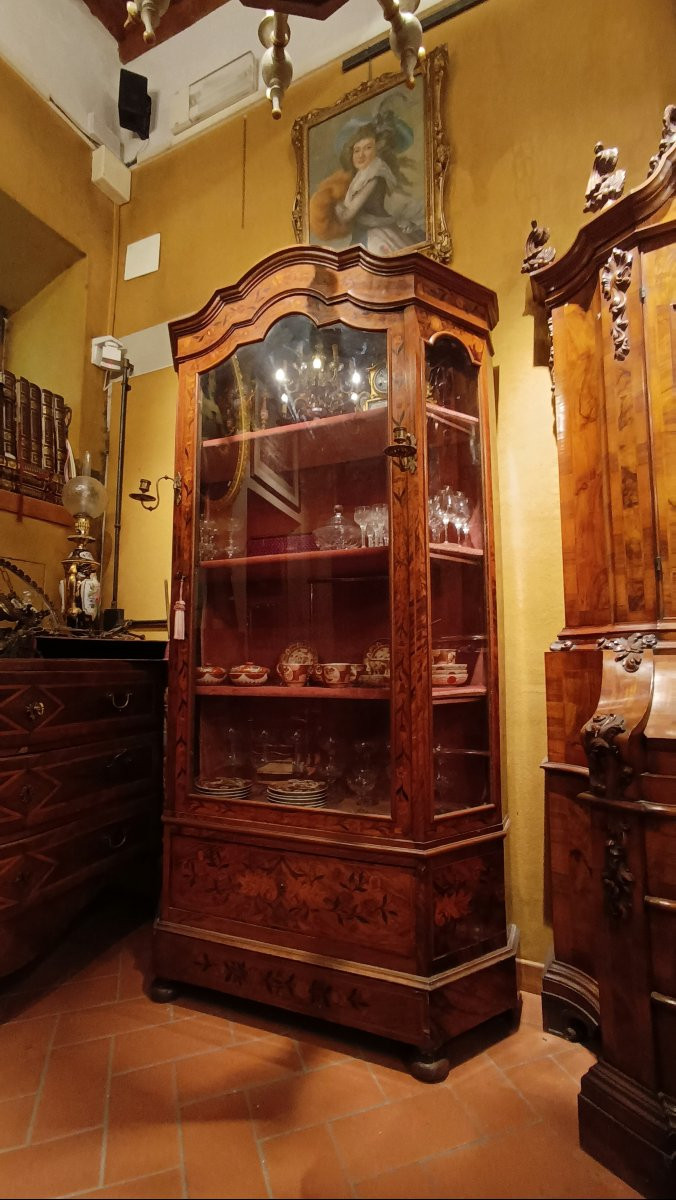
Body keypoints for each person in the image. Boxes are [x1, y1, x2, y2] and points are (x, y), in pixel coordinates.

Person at [309, 102, 425, 255]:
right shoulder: (360, 176)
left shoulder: (374, 175)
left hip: (376, 236)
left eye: (368, 148)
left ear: (378, 149)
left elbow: (347, 216)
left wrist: (335, 206)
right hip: (363, 235)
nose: (360, 155)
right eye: (357, 150)